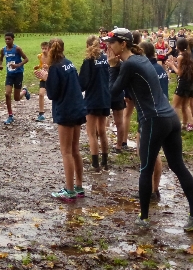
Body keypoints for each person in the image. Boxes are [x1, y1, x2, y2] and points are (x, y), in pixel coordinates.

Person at [105, 28, 193, 229]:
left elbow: (113, 92)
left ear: (123, 44)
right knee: (178, 166)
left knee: (145, 168)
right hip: (170, 117)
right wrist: (117, 65)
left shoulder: (129, 64)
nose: (108, 46)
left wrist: (111, 66)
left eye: (112, 43)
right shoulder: (140, 59)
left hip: (154, 119)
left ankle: (143, 219)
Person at [34, 38, 86, 201]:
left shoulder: (55, 68)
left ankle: (69, 191)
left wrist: (46, 78)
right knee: (75, 149)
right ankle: (78, 187)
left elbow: (53, 94)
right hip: (78, 108)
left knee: (66, 152)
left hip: (65, 111)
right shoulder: (69, 63)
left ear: (49, 50)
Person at [138, 40, 166, 200]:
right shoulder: (159, 68)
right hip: (162, 113)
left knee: (149, 154)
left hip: (151, 115)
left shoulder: (146, 70)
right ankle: (154, 189)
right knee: (155, 153)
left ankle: (150, 191)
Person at [79, 35, 111, 173]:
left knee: (91, 133)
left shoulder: (88, 61)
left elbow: (82, 84)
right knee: (102, 131)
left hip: (92, 99)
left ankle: (95, 164)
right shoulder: (106, 59)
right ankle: (105, 161)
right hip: (105, 98)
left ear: (87, 46)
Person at [0, 32, 30, 125]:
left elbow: (26, 59)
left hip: (18, 74)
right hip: (9, 74)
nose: (7, 41)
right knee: (7, 94)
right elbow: (1, 59)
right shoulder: (3, 50)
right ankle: (10, 115)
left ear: (13, 39)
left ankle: (24, 91)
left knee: (16, 98)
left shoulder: (17, 49)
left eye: (9, 39)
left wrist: (18, 65)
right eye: (6, 39)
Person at [166, 38, 193, 131]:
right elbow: (184, 69)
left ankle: (175, 126)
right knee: (185, 105)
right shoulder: (188, 54)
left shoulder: (180, 56)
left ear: (178, 46)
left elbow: (180, 73)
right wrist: (174, 63)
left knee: (175, 105)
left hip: (182, 82)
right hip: (189, 81)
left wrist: (171, 65)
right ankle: (186, 124)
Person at [35, 41, 49, 122]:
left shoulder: (52, 56)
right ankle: (41, 113)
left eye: (45, 48)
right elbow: (41, 65)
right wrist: (37, 67)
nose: (44, 50)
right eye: (42, 48)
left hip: (51, 78)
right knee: (41, 94)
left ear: (49, 49)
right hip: (43, 78)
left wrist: (48, 67)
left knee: (56, 95)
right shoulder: (40, 56)